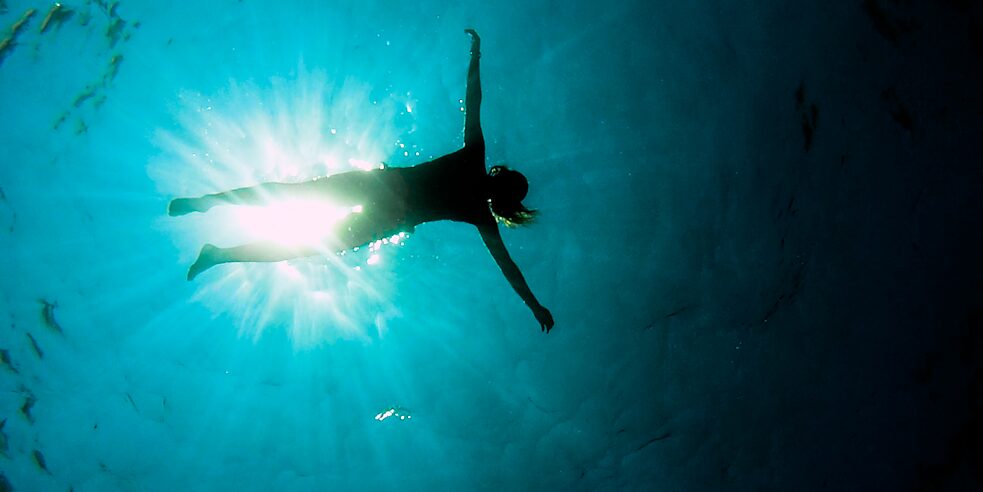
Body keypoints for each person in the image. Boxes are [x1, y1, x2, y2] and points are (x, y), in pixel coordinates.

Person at [169, 29, 554, 332]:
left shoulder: (480, 205)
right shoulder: (475, 166)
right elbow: (474, 101)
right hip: (384, 198)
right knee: (294, 202)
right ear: (504, 187)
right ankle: (209, 208)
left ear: (505, 194)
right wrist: (476, 55)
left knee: (301, 239)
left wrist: (534, 304)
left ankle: (217, 251)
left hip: (386, 209)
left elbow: (509, 268)